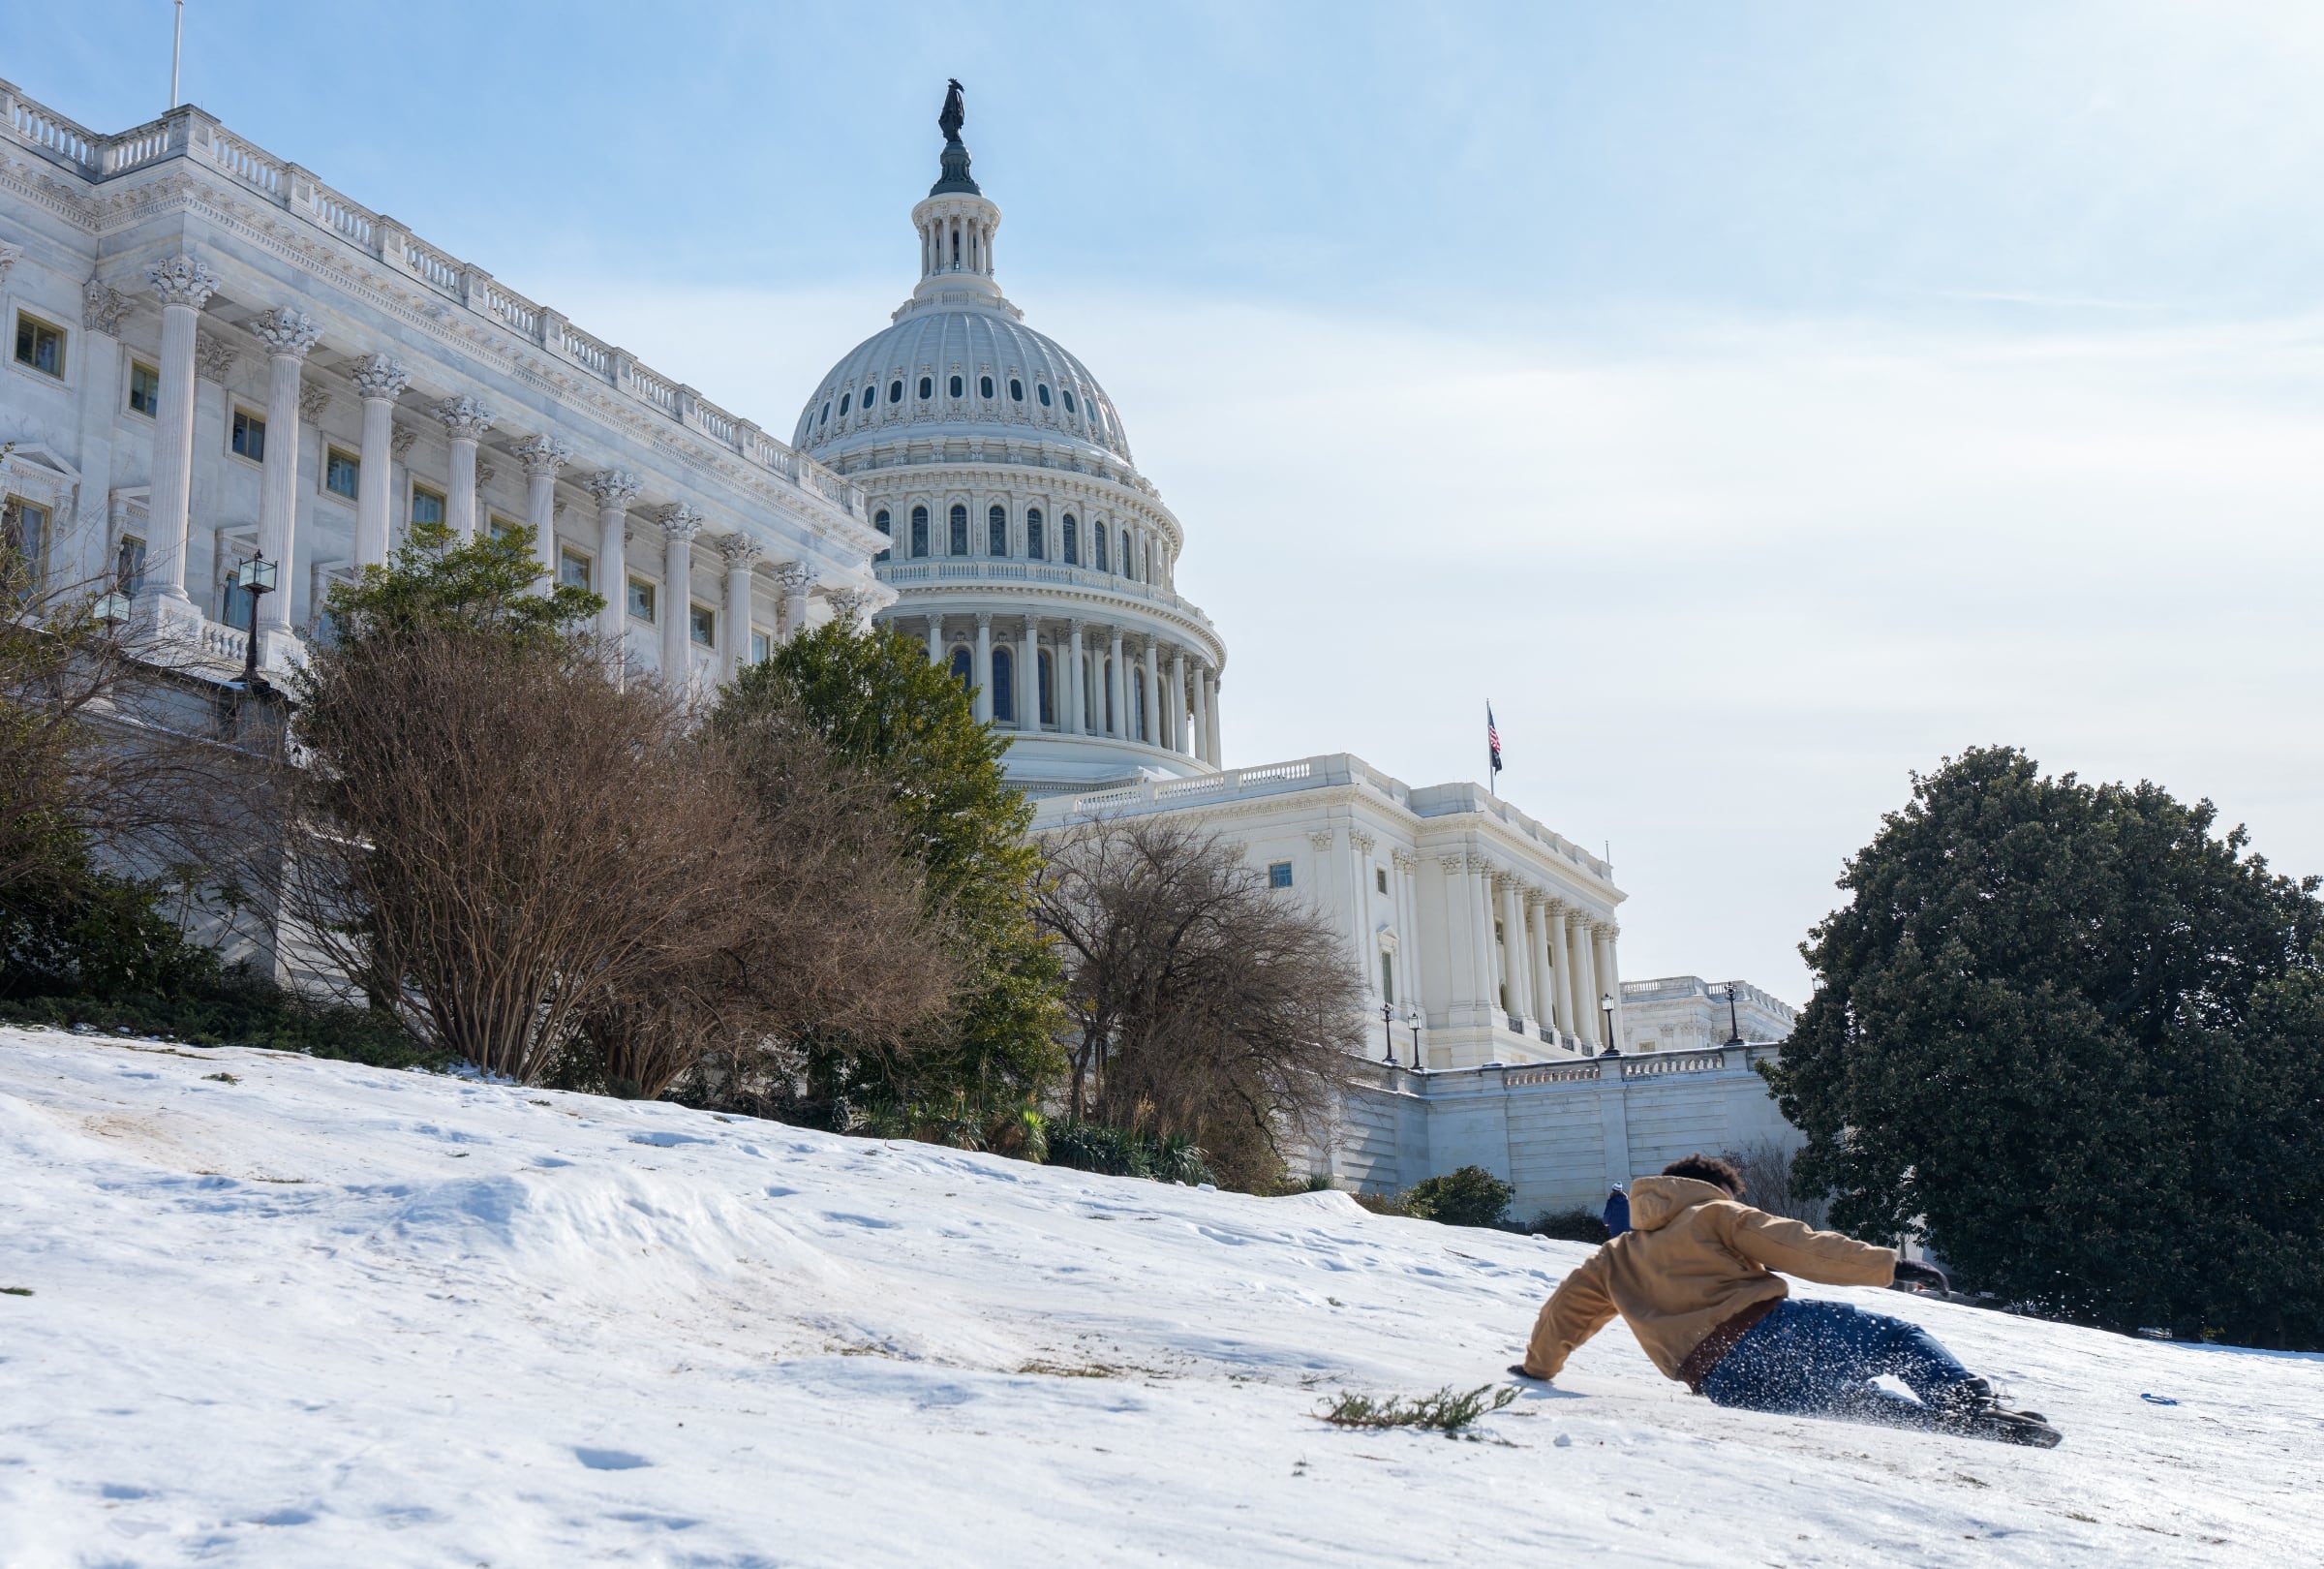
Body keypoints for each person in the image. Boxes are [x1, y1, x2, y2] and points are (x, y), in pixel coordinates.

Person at [1512, 1154, 2060, 1447]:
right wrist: (1889, 1266)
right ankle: (1969, 1408)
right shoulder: (1715, 1213)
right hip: (1769, 1331)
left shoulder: (1614, 1256)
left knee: (1851, 1405)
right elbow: (1799, 1246)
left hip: (1718, 1379)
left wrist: (1538, 1368)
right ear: (1711, 1190)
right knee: (1898, 1339)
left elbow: (1565, 1312)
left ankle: (1950, 1425)